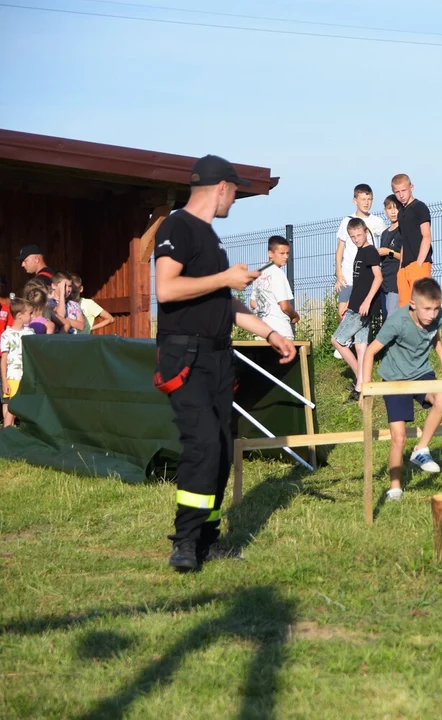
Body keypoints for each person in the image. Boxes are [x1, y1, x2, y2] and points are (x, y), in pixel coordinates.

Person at [154, 154, 296, 572]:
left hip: (218, 356)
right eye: (235, 192)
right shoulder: (177, 226)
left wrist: (270, 334)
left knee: (220, 449)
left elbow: (226, 302)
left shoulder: (210, 238)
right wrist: (224, 279)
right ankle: (185, 541)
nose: (234, 200)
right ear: (220, 188)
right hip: (186, 355)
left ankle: (208, 540)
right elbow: (166, 288)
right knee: (203, 445)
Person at [360, 277, 442, 501]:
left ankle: (420, 450)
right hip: (395, 379)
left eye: (436, 308)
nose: (432, 314)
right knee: (399, 438)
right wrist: (365, 388)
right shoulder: (397, 322)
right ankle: (395, 488)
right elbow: (371, 352)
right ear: (413, 305)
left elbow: (434, 335)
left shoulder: (438, 317)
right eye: (427, 309)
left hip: (422, 372)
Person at [332, 218, 382, 401]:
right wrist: (349, 304)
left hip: (363, 307)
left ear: (366, 232)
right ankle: (361, 388)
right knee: (361, 348)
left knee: (337, 340)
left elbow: (378, 277)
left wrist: (367, 301)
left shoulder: (369, 252)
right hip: (356, 305)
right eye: (352, 237)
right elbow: (359, 283)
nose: (356, 239)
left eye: (358, 235)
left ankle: (358, 376)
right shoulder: (359, 253)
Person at [334, 184, 387, 322]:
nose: (366, 203)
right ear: (355, 200)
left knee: (364, 316)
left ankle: (362, 343)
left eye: (369, 199)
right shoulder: (347, 221)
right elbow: (340, 249)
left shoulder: (378, 221)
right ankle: (345, 342)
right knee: (343, 314)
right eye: (363, 199)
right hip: (348, 276)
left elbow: (386, 242)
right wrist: (339, 274)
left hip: (367, 277)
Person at [391, 174, 433, 307]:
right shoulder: (401, 213)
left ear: (411, 187)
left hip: (418, 264)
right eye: (397, 192)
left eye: (403, 190)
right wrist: (400, 269)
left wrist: (419, 264)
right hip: (404, 268)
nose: (401, 195)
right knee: (404, 308)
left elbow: (426, 236)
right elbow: (404, 241)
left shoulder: (420, 207)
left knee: (420, 305)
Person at [250, 235, 300, 340]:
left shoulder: (259, 272)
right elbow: (284, 306)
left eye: (287, 253)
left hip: (260, 331)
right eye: (282, 253)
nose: (286, 256)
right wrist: (295, 316)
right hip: (280, 331)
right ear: (270, 254)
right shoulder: (278, 273)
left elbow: (253, 303)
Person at [1, 299, 33, 427]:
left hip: (27, 377)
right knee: (12, 408)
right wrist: (4, 381)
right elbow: (4, 359)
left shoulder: (30, 333)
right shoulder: (6, 335)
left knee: (27, 406)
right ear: (20, 315)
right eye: (30, 313)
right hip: (13, 376)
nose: (32, 316)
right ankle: (7, 433)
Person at [377, 195, 404, 318]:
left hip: (396, 279)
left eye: (396, 208)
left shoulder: (403, 230)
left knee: (391, 318)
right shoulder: (384, 233)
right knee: (386, 315)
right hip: (384, 280)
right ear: (385, 211)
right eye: (389, 208)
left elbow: (406, 256)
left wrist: (389, 252)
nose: (393, 212)